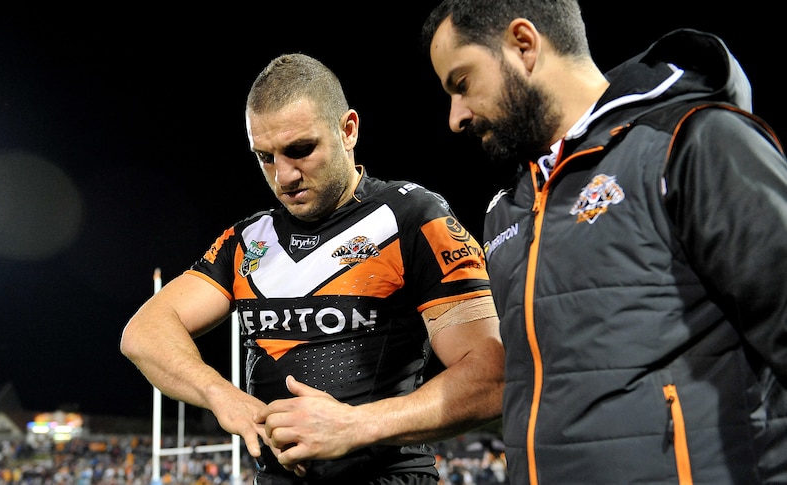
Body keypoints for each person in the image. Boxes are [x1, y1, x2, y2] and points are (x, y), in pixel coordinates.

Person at [421, 1, 787, 483]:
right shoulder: (506, 211)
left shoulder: (689, 141)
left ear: (524, 45)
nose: (456, 116)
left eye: (462, 83)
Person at [120, 52, 505, 484]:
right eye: (264, 156)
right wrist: (220, 394)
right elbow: (144, 332)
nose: (283, 176)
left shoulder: (414, 217)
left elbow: (490, 377)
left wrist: (354, 426)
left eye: (299, 149)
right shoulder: (248, 239)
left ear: (349, 130)